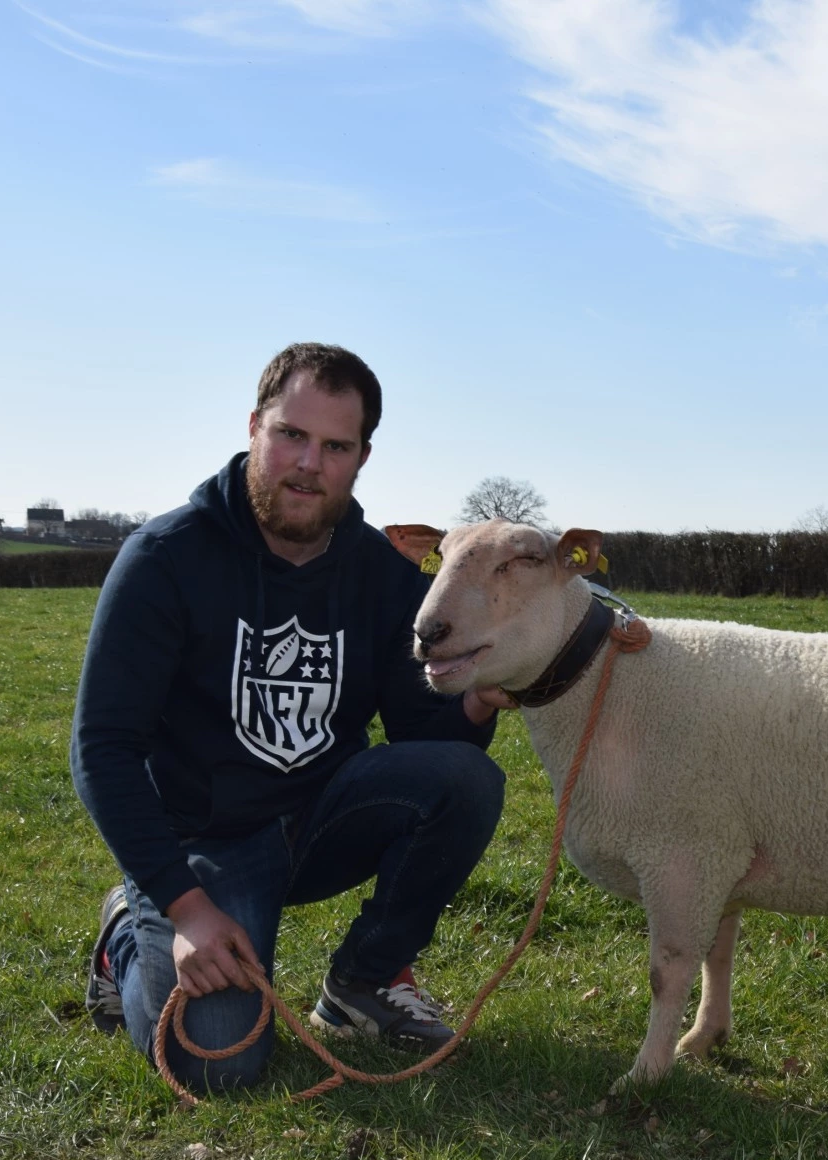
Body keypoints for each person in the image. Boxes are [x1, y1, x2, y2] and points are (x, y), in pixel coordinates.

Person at [72, 342, 507, 1091]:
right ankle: (126, 933)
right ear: (253, 427)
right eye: (292, 436)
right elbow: (102, 748)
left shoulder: (381, 574)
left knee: (465, 777)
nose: (310, 463)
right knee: (217, 1062)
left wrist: (475, 698)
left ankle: (361, 985)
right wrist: (187, 910)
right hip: (204, 845)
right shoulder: (165, 559)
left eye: (335, 446)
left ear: (362, 457)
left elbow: (419, 736)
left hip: (318, 818)